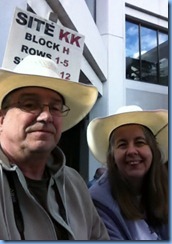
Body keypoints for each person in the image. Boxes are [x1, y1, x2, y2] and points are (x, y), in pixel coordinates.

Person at [0, 55, 110, 240]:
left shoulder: (75, 184)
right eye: (29, 104)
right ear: (1, 119)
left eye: (55, 108)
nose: (46, 116)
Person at [87, 105, 168, 240]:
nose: (131, 151)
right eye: (122, 145)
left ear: (153, 150)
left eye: (139, 142)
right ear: (112, 156)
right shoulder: (99, 201)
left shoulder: (166, 186)